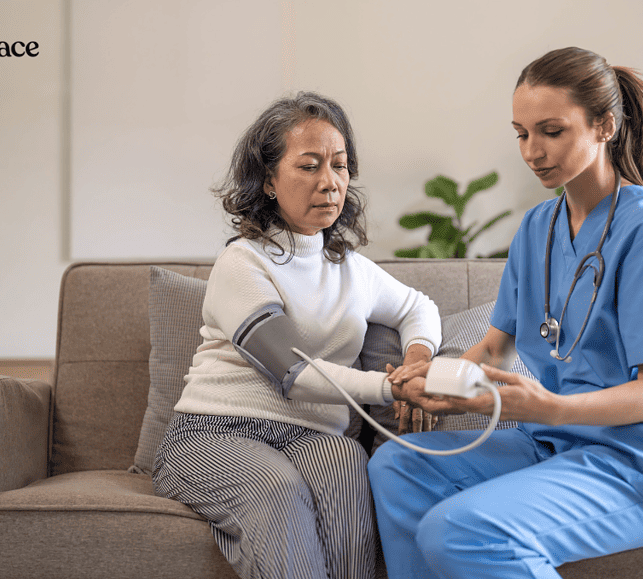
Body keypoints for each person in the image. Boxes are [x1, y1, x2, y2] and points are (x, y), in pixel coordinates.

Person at [368, 47, 643, 579]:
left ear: (604, 125)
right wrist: (440, 383)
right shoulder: (538, 228)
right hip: (554, 442)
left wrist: (549, 408)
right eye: (521, 133)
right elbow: (493, 349)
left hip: (638, 459)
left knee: (461, 528)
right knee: (397, 465)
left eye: (551, 131)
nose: (532, 151)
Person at [152, 91, 442, 579]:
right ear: (268, 180)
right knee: (276, 489)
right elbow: (293, 370)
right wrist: (390, 387)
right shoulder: (242, 263)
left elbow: (419, 307)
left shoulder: (353, 270)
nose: (330, 183)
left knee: (349, 466)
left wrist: (418, 360)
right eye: (310, 166)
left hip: (310, 435)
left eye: (341, 166)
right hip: (212, 433)